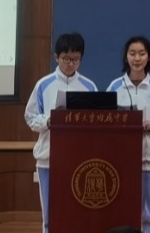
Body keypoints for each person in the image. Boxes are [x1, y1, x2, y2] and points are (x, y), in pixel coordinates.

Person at [24, 32, 97, 233]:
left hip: (79, 159)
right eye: (66, 58)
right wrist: (49, 121)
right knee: (49, 214)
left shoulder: (89, 86)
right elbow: (30, 117)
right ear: (56, 57)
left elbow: (96, 122)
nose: (70, 64)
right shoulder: (43, 84)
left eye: (75, 59)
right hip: (48, 158)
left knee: (77, 210)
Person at [107, 36, 150, 233]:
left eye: (141, 53)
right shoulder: (115, 87)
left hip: (148, 160)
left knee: (146, 214)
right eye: (132, 53)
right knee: (121, 210)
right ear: (126, 57)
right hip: (120, 161)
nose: (137, 58)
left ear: (148, 57)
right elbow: (104, 120)